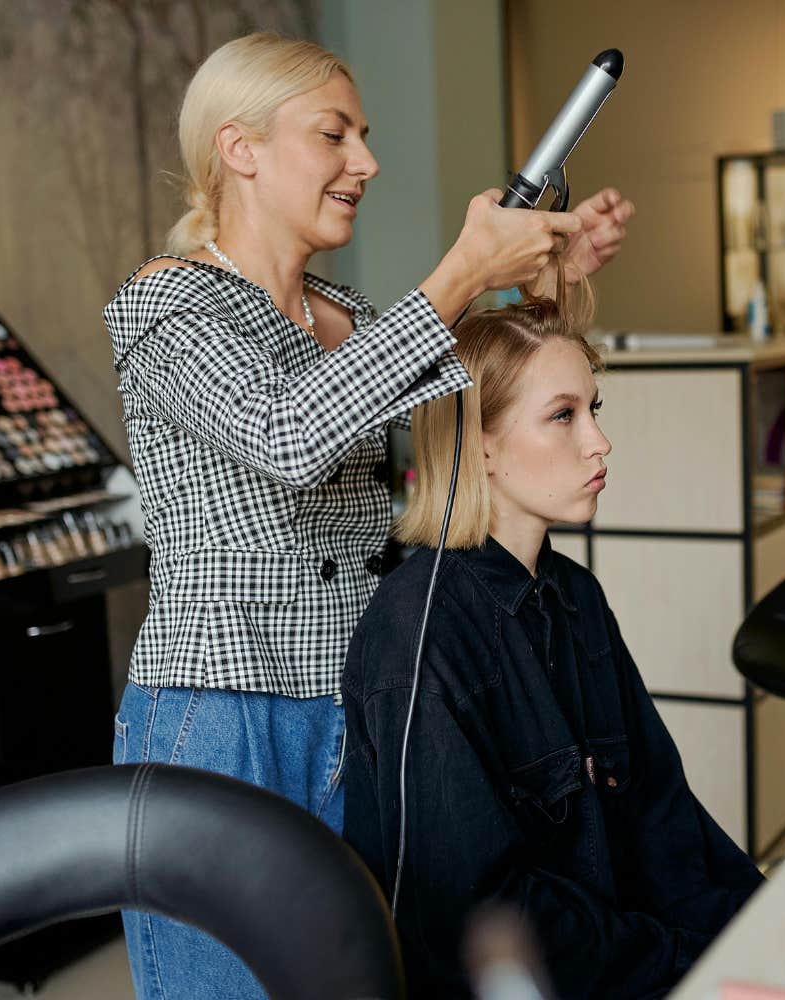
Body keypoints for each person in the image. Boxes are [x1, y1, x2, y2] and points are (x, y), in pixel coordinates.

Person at [103, 29, 633, 1000]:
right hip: (225, 717)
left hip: (366, 706)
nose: (367, 162)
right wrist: (463, 272)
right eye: (334, 134)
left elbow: (462, 440)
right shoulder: (168, 309)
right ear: (240, 148)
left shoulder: (344, 313)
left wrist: (543, 279)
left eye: (366, 135)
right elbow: (288, 433)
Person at [341, 274, 764, 998]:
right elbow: (482, 916)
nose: (601, 441)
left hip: (626, 963)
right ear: (482, 448)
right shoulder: (419, 638)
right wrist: (683, 960)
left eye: (592, 409)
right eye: (563, 416)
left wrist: (761, 932)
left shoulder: (575, 598)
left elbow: (663, 818)